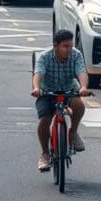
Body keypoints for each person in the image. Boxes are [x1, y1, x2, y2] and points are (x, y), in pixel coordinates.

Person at [32, 29, 91, 172]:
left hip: (69, 89)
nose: (69, 49)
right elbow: (38, 73)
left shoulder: (76, 55)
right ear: (55, 46)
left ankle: (73, 132)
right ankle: (45, 153)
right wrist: (36, 88)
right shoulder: (45, 57)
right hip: (47, 91)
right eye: (65, 46)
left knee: (79, 106)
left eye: (70, 45)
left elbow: (81, 72)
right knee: (45, 119)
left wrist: (83, 87)